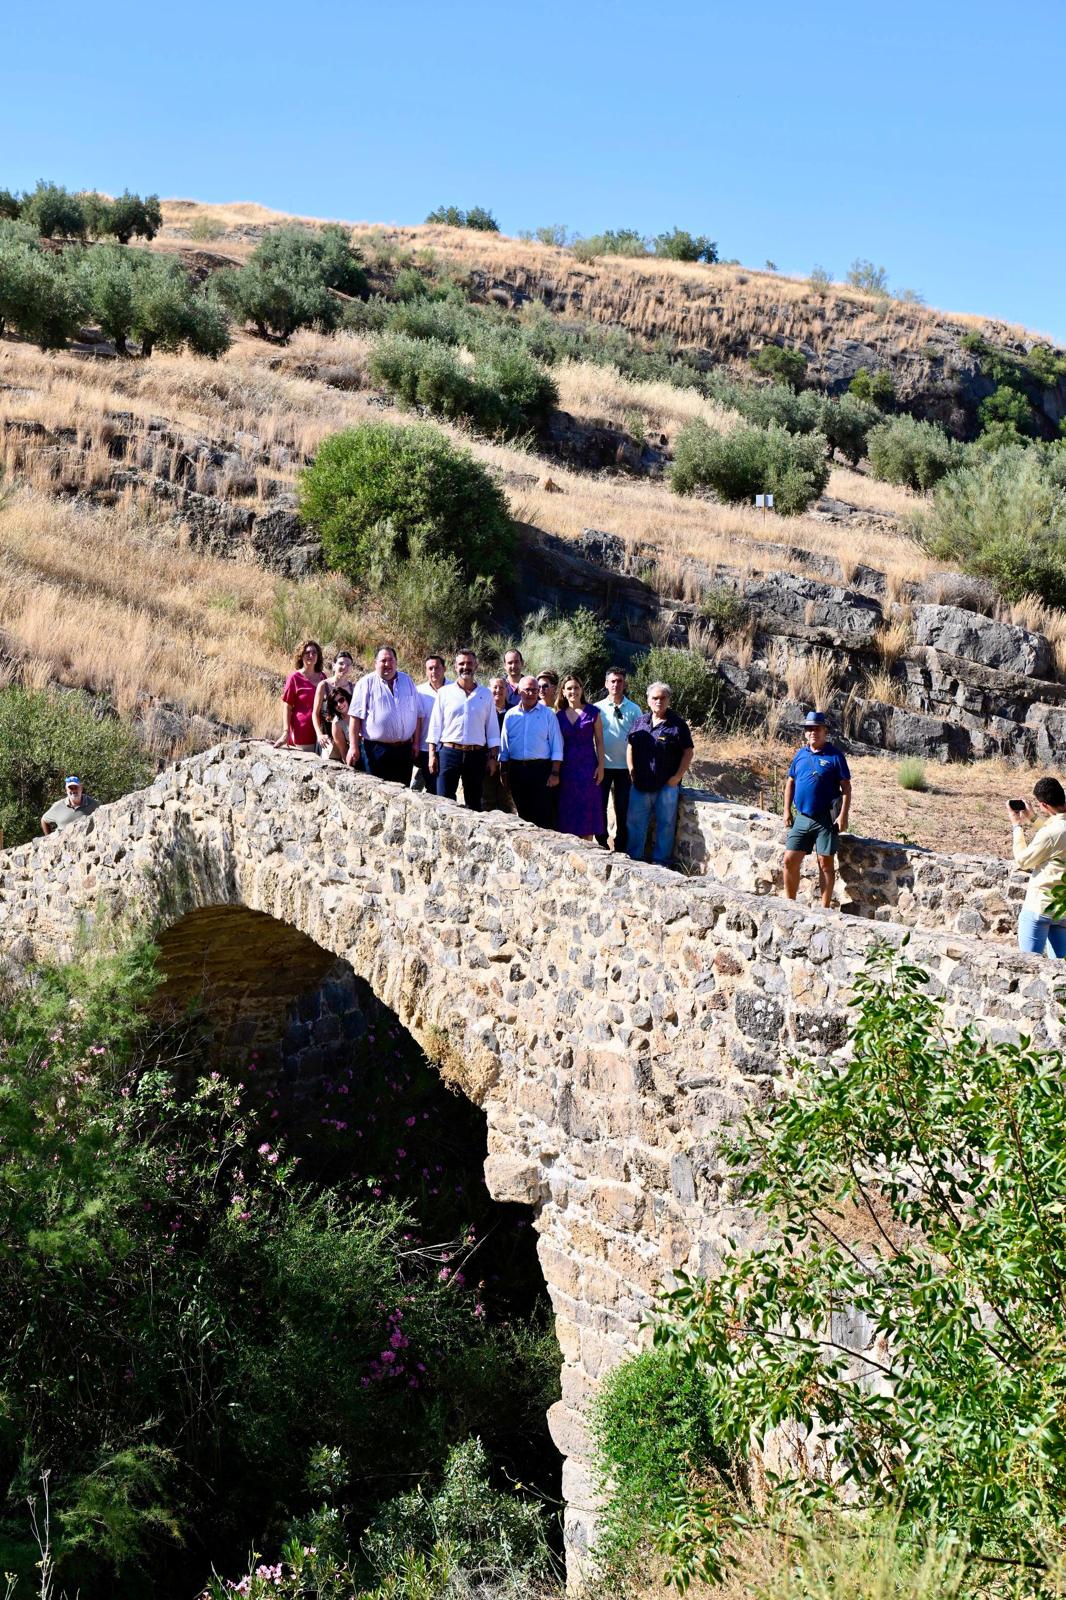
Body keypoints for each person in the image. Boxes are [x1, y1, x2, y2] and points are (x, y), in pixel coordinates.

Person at [782, 710, 852, 909]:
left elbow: (846, 787)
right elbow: (790, 782)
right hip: (802, 817)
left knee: (825, 864)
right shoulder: (800, 754)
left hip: (826, 819)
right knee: (789, 860)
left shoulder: (835, 756)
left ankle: (824, 908)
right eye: (810, 729)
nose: (813, 732)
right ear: (805, 733)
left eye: (817, 728)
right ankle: (790, 904)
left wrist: (842, 816)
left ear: (825, 731)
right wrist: (787, 810)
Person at [626, 682, 694, 866]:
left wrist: (677, 777)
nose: (659, 701)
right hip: (640, 784)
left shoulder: (677, 725)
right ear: (648, 700)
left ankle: (661, 863)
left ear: (668, 700)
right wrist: (631, 770)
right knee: (635, 824)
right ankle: (634, 859)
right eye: (655, 698)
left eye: (663, 698)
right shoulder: (640, 722)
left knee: (666, 825)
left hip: (666, 786)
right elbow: (630, 746)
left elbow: (688, 751)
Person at [428, 649, 500, 811]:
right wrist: (432, 754)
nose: (465, 667)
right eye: (461, 663)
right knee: (444, 801)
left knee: (474, 804)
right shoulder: (445, 693)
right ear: (455, 667)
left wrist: (493, 757)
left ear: (476, 665)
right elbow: (435, 725)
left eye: (469, 663)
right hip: (449, 753)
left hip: (476, 755)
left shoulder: (486, 694)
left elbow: (492, 728)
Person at [1008, 777, 1066, 957]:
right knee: (1061, 972)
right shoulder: (1055, 829)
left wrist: (1017, 826)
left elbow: (1023, 860)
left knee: (1027, 967)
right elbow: (1056, 836)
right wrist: (1033, 818)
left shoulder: (1050, 833)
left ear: (1043, 804)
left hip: (1040, 906)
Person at [347, 646, 422, 786]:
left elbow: (417, 714)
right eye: (383, 661)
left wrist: (416, 743)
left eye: (390, 660)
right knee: (377, 792)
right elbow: (355, 717)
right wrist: (353, 746)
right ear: (375, 663)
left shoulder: (407, 681)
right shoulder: (366, 683)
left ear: (396, 662)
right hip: (376, 750)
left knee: (403, 793)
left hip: (404, 750)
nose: (387, 664)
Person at [500, 676, 563, 826]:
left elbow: (557, 746)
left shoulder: (548, 714)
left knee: (543, 815)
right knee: (522, 816)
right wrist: (503, 772)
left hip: (541, 771)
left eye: (534, 690)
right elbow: (504, 747)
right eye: (527, 690)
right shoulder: (510, 715)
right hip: (517, 771)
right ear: (519, 691)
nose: (531, 693)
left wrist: (555, 773)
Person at [595, 666, 641, 852]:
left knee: (623, 809)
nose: (616, 684)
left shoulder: (634, 709)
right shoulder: (597, 708)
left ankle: (621, 845)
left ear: (625, 683)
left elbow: (638, 739)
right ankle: (601, 842)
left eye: (619, 681)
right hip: (602, 766)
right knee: (600, 807)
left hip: (625, 768)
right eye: (612, 681)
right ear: (606, 684)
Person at [557, 674, 605, 841]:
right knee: (568, 810)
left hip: (588, 769)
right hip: (566, 770)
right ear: (563, 692)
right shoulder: (558, 716)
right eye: (569, 688)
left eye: (576, 687)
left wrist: (601, 767)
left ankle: (588, 851)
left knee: (587, 811)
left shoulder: (593, 712)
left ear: (581, 689)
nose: (573, 691)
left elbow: (599, 741)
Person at [276, 640, 326, 750]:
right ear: (301, 656)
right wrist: (286, 732)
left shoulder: (323, 677)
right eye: (307, 652)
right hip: (302, 731)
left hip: (322, 732)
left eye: (314, 653)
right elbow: (287, 707)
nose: (311, 655)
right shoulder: (294, 678)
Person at [412, 655, 449, 793]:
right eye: (430, 668)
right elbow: (417, 719)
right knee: (432, 786)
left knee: (445, 786)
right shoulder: (419, 691)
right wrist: (415, 743)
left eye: (437, 667)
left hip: (447, 747)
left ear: (444, 669)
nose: (434, 671)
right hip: (425, 747)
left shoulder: (454, 688)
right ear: (426, 671)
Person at [312, 650, 356, 755]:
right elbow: (315, 713)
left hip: (348, 739)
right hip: (327, 740)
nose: (344, 667)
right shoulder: (324, 685)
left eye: (348, 665)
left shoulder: (354, 688)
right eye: (341, 663)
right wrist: (319, 735)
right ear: (334, 665)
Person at [483, 678, 516, 813]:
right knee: (486, 802)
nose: (498, 691)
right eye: (495, 687)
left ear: (507, 690)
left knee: (507, 804)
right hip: (486, 762)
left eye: (502, 687)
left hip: (508, 763)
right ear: (488, 689)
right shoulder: (483, 710)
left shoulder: (514, 711)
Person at [318, 684, 352, 763]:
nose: (339, 705)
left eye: (341, 700)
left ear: (346, 698)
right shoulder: (337, 723)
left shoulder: (360, 711)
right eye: (335, 703)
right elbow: (344, 752)